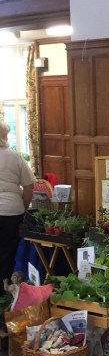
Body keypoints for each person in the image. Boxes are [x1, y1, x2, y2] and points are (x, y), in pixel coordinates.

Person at [0, 121, 34, 285]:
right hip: (11, 211)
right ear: (4, 136)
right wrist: (24, 206)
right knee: (8, 252)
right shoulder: (14, 156)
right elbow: (29, 187)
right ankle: (5, 289)